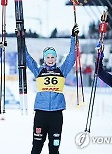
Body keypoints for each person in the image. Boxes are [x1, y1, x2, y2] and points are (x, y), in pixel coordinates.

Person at [26, 24, 79, 154]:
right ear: (44, 59)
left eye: (52, 57)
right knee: (37, 146)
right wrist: (21, 39)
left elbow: (72, 56)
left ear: (56, 58)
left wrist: (73, 38)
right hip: (41, 113)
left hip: (56, 113)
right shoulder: (39, 71)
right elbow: (26, 57)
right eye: (48, 57)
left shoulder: (62, 71)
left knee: (54, 146)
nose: (50, 60)